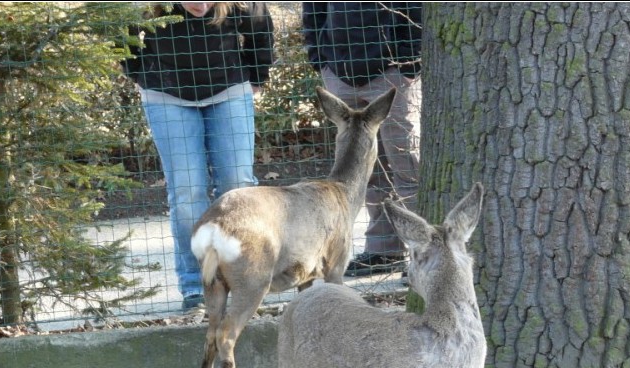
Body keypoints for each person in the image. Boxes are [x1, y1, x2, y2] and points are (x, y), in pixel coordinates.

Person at [122, 2, 275, 311]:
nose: (201, 5)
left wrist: (257, 76)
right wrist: (139, 73)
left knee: (238, 185)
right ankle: (196, 286)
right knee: (187, 191)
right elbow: (118, 30)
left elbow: (260, 28)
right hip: (165, 93)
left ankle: (247, 278)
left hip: (228, 87)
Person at [302, 2, 422, 277]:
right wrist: (320, 59)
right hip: (340, 73)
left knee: (407, 165)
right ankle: (384, 251)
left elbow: (416, 12)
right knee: (367, 169)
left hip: (392, 72)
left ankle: (422, 254)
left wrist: (408, 62)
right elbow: (312, 13)